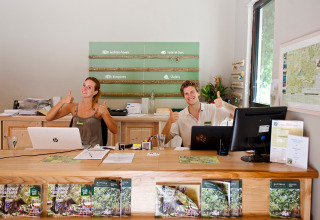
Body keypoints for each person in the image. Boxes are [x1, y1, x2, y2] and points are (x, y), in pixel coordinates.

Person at [162, 80, 236, 147]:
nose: (190, 96)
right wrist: (169, 122)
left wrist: (225, 105)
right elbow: (163, 141)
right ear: (184, 97)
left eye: (192, 92)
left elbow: (238, 116)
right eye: (186, 94)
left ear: (198, 93)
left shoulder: (213, 109)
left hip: (212, 156)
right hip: (189, 157)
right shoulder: (180, 116)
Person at [45, 77, 117, 146]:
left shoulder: (100, 109)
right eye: (84, 85)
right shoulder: (72, 107)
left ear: (95, 92)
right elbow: (48, 117)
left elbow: (114, 130)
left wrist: (105, 113)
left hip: (93, 151)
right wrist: (62, 101)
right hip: (75, 149)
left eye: (89, 87)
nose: (84, 89)